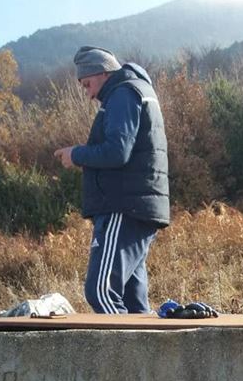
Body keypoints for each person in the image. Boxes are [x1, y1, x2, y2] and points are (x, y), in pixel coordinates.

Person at [54, 46, 169, 313]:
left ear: (102, 72)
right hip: (139, 205)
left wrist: (77, 155)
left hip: (123, 207)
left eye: (87, 84)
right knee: (133, 305)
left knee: (100, 291)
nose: (89, 94)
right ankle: (145, 353)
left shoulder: (122, 94)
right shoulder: (136, 90)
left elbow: (118, 152)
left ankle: (126, 356)